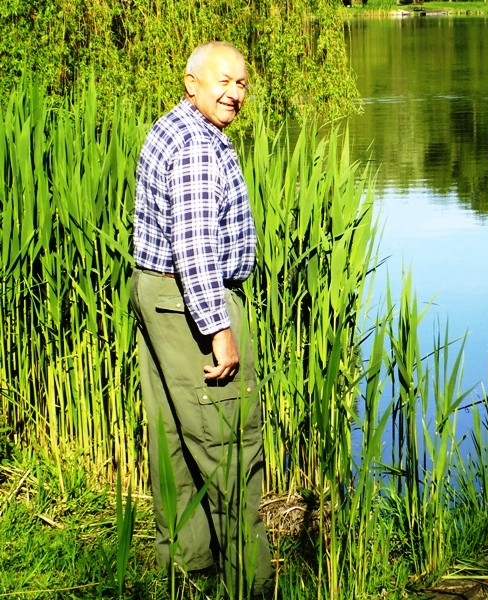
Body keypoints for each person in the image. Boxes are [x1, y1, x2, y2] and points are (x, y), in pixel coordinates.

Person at [130, 41, 274, 595]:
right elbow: (193, 245)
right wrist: (220, 331)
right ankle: (248, 585)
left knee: (172, 436)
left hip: (157, 292)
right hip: (194, 299)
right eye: (223, 80)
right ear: (191, 82)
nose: (235, 92)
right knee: (229, 443)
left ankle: (187, 574)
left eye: (242, 82)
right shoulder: (196, 145)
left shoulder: (171, 127)